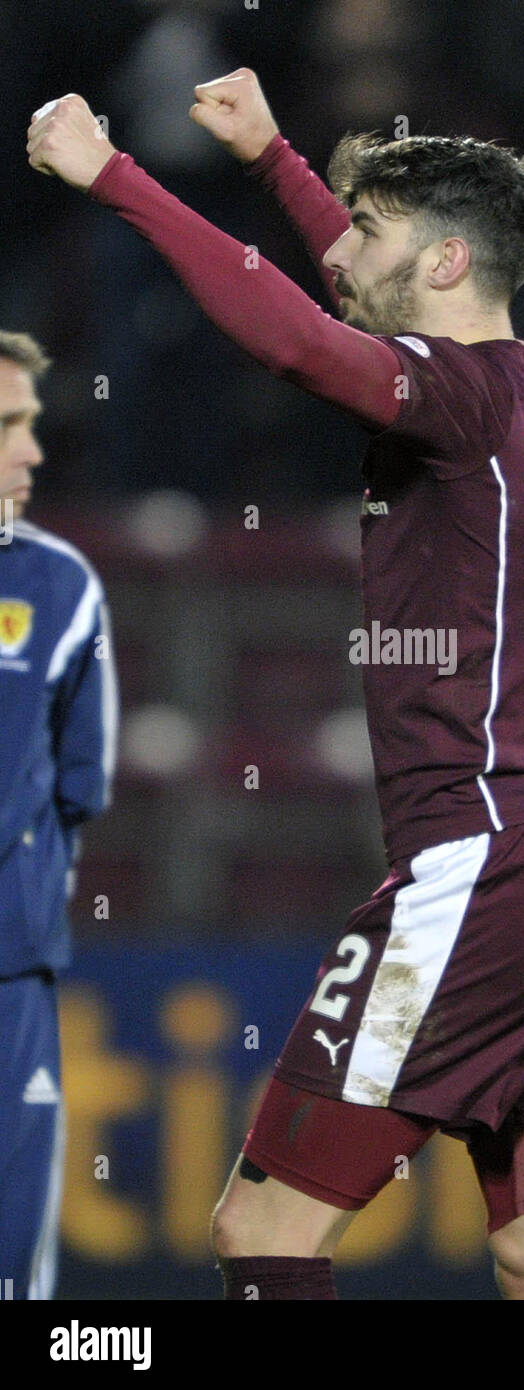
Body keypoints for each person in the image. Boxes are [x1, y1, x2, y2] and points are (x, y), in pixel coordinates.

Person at [27, 72, 524, 1301]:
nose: (342, 251)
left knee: (264, 1236)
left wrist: (116, 177)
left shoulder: (462, 402)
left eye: (370, 231)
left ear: (446, 262)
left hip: (489, 866)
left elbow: (298, 336)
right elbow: (365, 290)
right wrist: (276, 163)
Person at [0, 330, 118, 1299]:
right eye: (7, 427)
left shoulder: (60, 587)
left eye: (31, 426)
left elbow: (82, 784)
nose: (32, 452)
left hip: (12, 984)